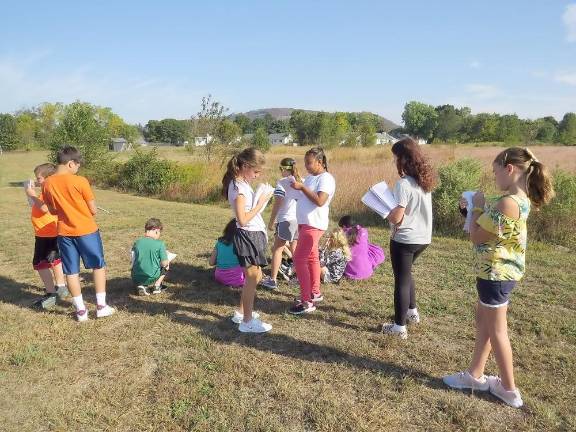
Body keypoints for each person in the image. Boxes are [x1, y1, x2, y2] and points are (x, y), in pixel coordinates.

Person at [443, 147, 554, 408]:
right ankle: (475, 375)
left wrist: (477, 207)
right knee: (483, 322)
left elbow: (477, 236)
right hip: (499, 273)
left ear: (509, 169)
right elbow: (486, 227)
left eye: (495, 172)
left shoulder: (508, 203)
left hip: (496, 274)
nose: (494, 178)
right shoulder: (518, 200)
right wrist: (469, 211)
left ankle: (508, 389)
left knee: (497, 330)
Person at [42, 146, 115, 321]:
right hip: (86, 230)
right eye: (77, 165)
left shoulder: (47, 183)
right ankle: (101, 306)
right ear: (70, 163)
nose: (78, 169)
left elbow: (51, 210)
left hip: (64, 233)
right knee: (98, 266)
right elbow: (93, 209)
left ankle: (81, 311)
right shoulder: (80, 181)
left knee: (71, 271)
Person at [381, 138, 435, 339]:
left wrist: (383, 210)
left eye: (395, 157)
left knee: (401, 281)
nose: (394, 161)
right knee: (407, 273)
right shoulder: (423, 180)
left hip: (404, 239)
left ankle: (399, 328)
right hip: (423, 238)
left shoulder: (403, 184)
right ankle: (412, 312)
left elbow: (397, 217)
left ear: (403, 159)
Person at [222, 147, 273, 333]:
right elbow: (242, 219)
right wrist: (260, 204)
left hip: (251, 235)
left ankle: (242, 313)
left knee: (256, 276)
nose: (258, 175)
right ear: (244, 166)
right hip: (247, 236)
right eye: (256, 171)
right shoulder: (239, 188)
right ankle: (247, 322)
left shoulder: (241, 183)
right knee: (252, 277)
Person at [289, 147, 336, 315]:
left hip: (313, 224)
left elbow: (320, 200)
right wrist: (296, 184)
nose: (307, 166)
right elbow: (305, 195)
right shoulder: (310, 178)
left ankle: (306, 301)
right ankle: (315, 292)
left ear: (320, 162)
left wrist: (301, 187)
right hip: (305, 223)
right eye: (305, 163)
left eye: (309, 163)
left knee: (299, 258)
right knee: (311, 257)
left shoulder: (326, 179)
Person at [24, 163, 68, 309]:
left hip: (46, 233)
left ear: (48, 178)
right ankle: (61, 286)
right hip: (50, 232)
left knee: (40, 263)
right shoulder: (48, 188)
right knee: (54, 260)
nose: (37, 181)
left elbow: (43, 208)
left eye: (39, 178)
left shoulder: (47, 190)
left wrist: (31, 193)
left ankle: (51, 293)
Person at [261, 157, 302, 290]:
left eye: (280, 169)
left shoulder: (282, 182)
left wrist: (272, 221)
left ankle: (272, 280)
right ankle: (299, 277)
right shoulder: (302, 181)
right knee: (295, 251)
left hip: (285, 220)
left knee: (277, 250)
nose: (280, 172)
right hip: (297, 220)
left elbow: (278, 203)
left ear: (284, 169)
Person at [338, 215, 385, 280]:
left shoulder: (343, 236)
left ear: (343, 226)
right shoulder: (364, 231)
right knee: (368, 247)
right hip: (368, 272)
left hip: (351, 274)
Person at [131, 218, 170, 295]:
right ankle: (157, 286)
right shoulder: (160, 244)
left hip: (135, 277)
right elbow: (164, 263)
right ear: (156, 230)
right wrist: (166, 256)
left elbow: (133, 257)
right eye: (159, 232)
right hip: (151, 277)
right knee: (166, 265)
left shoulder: (137, 242)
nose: (159, 235)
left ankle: (141, 286)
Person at [209, 219, 245, 288]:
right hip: (237, 280)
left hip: (219, 277)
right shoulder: (242, 245)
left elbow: (211, 262)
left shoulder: (219, 242)